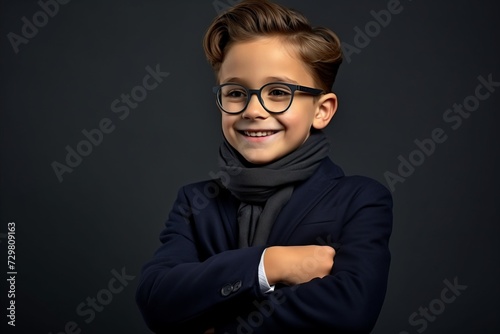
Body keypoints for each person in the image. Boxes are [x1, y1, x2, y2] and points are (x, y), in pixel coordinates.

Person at [136, 1, 392, 333]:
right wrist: (270, 264)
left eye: (277, 92)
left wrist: (214, 322)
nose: (253, 110)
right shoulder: (195, 203)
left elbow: (348, 313)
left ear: (322, 110)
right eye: (236, 92)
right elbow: (157, 300)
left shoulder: (360, 199)